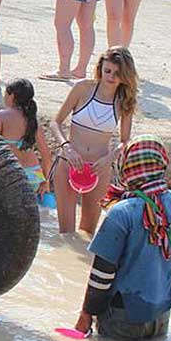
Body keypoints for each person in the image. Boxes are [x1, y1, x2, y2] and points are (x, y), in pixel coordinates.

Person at [74, 135, 171, 340]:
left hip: (123, 318)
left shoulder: (122, 212)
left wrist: (86, 314)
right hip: (162, 315)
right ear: (161, 163)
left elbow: (102, 275)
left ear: (127, 167)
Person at [48, 47, 138, 234]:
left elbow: (125, 140)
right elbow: (55, 123)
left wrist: (110, 158)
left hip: (99, 169)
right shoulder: (83, 88)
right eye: (107, 71)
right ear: (100, 68)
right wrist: (66, 147)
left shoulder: (125, 100)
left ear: (125, 75)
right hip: (68, 163)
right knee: (66, 234)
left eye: (117, 73)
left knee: (88, 233)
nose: (111, 77)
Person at [0, 79, 54, 204]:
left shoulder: (2, 116)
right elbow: (47, 156)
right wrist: (45, 181)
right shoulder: (33, 120)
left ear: (11, 95)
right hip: (34, 176)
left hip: (11, 174)